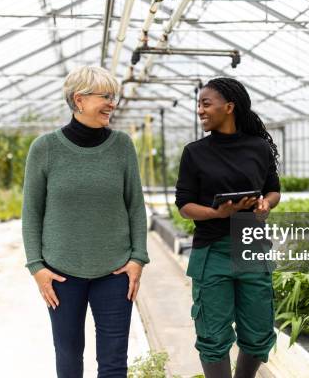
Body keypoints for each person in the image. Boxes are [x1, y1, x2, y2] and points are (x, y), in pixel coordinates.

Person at [22, 65, 149, 378]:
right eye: (105, 96)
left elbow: (135, 205)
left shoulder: (122, 146)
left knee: (114, 362)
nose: (112, 103)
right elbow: (31, 213)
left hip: (116, 272)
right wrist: (37, 267)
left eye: (113, 96)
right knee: (68, 358)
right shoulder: (45, 149)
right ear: (79, 100)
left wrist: (137, 259)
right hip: (61, 275)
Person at [175, 77, 281, 378]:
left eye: (206, 103)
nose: (200, 110)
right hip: (212, 251)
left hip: (251, 245)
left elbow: (273, 190)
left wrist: (265, 205)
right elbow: (184, 205)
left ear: (229, 107)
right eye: (199, 104)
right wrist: (215, 211)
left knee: (259, 332)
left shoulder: (258, 147)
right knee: (212, 334)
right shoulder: (194, 152)